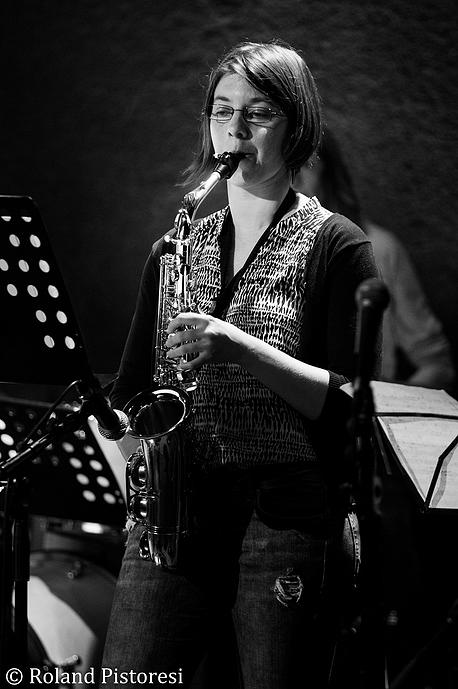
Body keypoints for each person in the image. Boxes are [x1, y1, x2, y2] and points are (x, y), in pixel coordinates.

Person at [101, 41, 380, 689]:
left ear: (296, 126)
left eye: (257, 113)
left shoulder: (338, 244)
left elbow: (349, 403)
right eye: (221, 111)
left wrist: (238, 345)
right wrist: (141, 470)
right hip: (178, 515)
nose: (234, 129)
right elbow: (130, 391)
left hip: (282, 517)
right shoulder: (174, 248)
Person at [294, 128, 456, 392]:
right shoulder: (253, 248)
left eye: (304, 163)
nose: (293, 179)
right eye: (284, 164)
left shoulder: (379, 248)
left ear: (328, 172)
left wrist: (385, 407)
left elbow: (437, 364)